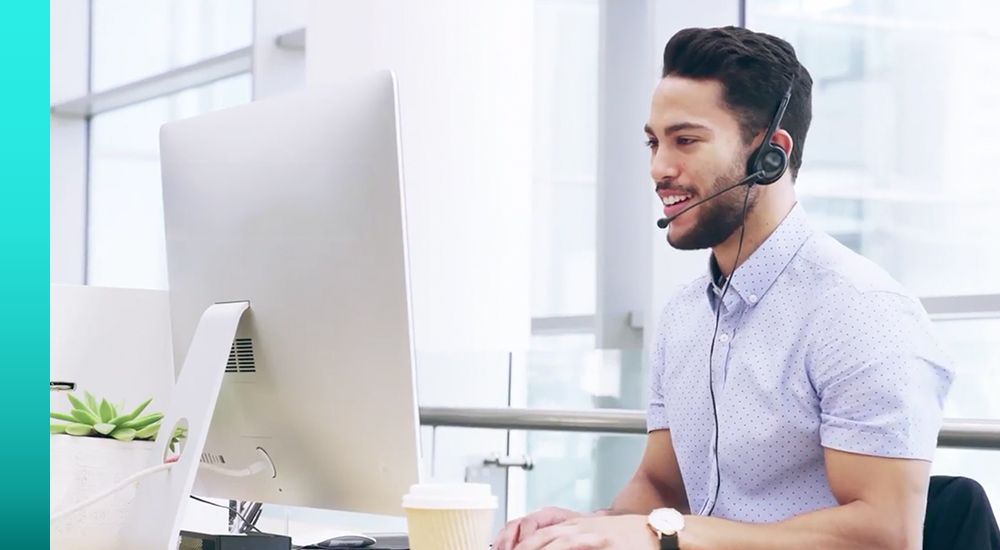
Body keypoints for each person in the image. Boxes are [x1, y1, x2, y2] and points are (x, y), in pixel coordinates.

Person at [493, 26, 954, 550]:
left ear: (771, 155)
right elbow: (662, 487)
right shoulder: (686, 314)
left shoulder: (860, 313)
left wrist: (660, 534)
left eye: (685, 140)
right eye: (653, 142)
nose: (659, 168)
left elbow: (882, 535)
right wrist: (588, 528)